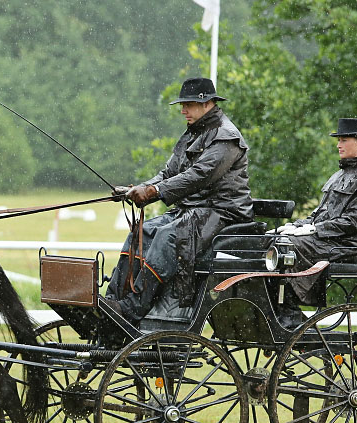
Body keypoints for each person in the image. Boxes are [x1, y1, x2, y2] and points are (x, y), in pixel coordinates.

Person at [106, 77, 253, 323]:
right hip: (192, 212)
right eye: (182, 104)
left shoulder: (226, 136)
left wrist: (153, 192)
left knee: (168, 237)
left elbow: (198, 176)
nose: (183, 110)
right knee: (140, 232)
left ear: (207, 104)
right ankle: (113, 300)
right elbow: (168, 174)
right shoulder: (192, 134)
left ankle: (132, 308)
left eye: (189, 104)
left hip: (223, 213)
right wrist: (140, 188)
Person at [274, 118, 357, 327]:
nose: (338, 145)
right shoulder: (340, 175)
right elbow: (321, 213)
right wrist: (299, 225)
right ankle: (276, 307)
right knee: (277, 241)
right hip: (330, 241)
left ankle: (289, 309)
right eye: (339, 140)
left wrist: (315, 229)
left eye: (344, 140)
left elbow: (353, 222)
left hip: (351, 247)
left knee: (292, 246)